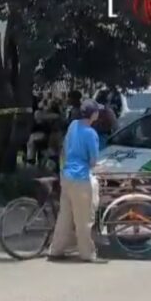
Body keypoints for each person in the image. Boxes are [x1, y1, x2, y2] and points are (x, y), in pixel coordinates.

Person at [48, 99, 104, 263]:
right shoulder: (91, 134)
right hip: (81, 179)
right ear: (93, 114)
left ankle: (56, 250)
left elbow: (65, 148)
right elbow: (93, 162)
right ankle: (87, 253)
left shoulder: (73, 126)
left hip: (66, 176)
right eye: (97, 111)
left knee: (64, 216)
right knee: (83, 219)